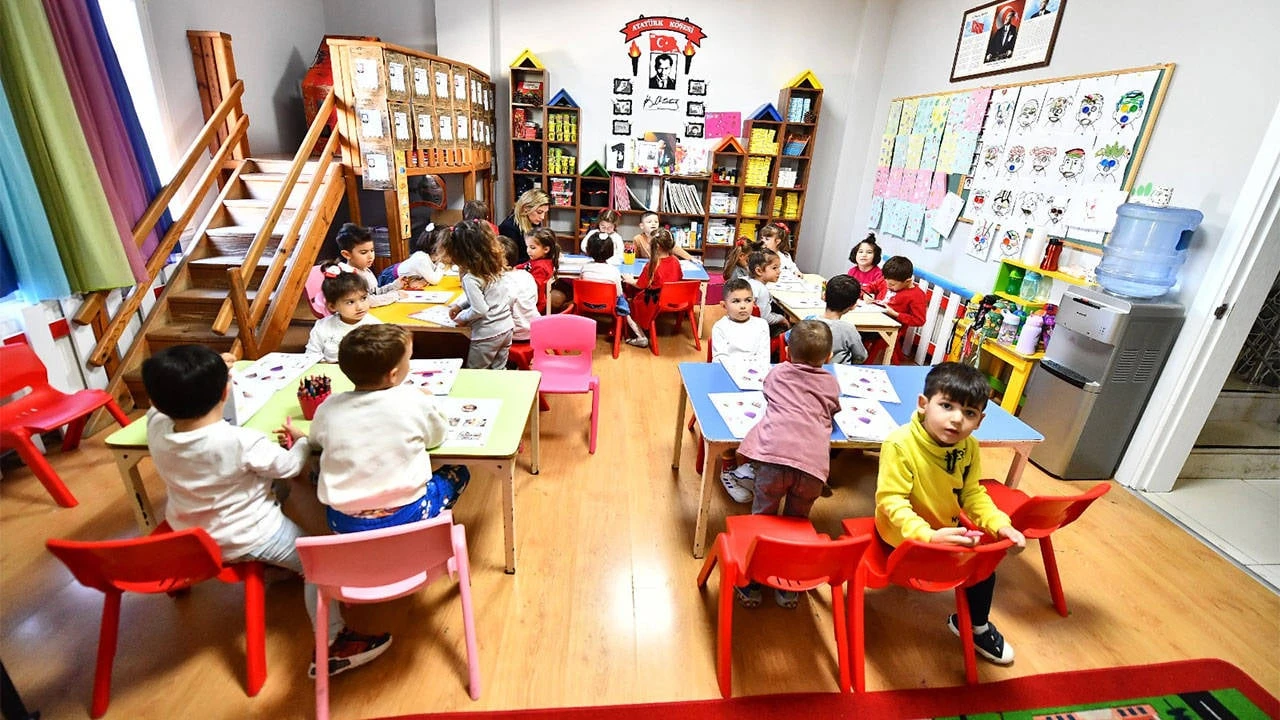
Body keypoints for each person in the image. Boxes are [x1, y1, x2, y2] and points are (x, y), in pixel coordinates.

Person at [140, 344, 390, 678]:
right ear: (226, 391)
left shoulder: (157, 427)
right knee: (318, 563)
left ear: (157, 401)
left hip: (189, 534)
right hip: (250, 536)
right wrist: (302, 442)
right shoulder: (241, 441)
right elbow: (289, 466)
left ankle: (274, 569)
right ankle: (334, 641)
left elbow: (157, 408)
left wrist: (206, 370)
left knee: (275, 493)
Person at [875, 362, 1026, 664]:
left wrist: (1001, 525)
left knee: (984, 568)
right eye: (947, 406)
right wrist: (928, 535)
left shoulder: (968, 447)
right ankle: (975, 624)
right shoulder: (899, 444)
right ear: (923, 404)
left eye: (969, 413)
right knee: (975, 563)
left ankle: (976, 627)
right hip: (903, 540)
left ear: (980, 420)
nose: (957, 419)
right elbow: (892, 501)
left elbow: (972, 493)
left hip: (946, 533)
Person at [308, 324, 470, 537]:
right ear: (393, 375)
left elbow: (314, 443)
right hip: (408, 514)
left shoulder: (329, 406)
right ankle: (426, 529)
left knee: (319, 468)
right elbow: (437, 437)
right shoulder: (413, 400)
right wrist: (429, 401)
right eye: (409, 360)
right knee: (459, 472)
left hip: (342, 522)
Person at [732, 320, 841, 608]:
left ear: (788, 352)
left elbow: (768, 394)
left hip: (773, 460)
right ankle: (787, 584)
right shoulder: (830, 382)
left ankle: (752, 582)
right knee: (796, 523)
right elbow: (832, 408)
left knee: (762, 519)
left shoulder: (778, 372)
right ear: (828, 357)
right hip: (812, 468)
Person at [712, 277, 771, 505]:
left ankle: (751, 465)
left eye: (747, 300)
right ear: (724, 305)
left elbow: (764, 358)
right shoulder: (720, 327)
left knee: (766, 417)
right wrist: (740, 372)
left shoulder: (761, 325)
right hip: (727, 380)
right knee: (729, 419)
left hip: (756, 381)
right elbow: (720, 359)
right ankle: (728, 468)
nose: (743, 306)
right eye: (736, 301)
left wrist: (754, 375)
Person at [445, 220, 514, 369]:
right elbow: (486, 297)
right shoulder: (495, 267)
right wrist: (461, 306)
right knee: (499, 370)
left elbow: (480, 309)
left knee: (476, 374)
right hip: (506, 328)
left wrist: (461, 318)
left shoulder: (470, 278)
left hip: (487, 334)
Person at [305, 262, 383, 362]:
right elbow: (310, 356)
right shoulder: (322, 327)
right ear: (332, 306)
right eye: (350, 302)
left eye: (363, 298)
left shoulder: (375, 326)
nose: (360, 307)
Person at [581, 232, 648, 344]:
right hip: (609, 306)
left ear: (588, 250)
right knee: (624, 300)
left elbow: (582, 284)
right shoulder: (614, 271)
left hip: (586, 303)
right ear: (611, 251)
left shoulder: (585, 268)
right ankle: (639, 334)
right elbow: (618, 293)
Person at [625, 227, 682, 348]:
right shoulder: (676, 261)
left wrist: (629, 280)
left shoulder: (652, 265)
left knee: (626, 305)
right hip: (672, 299)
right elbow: (679, 277)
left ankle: (641, 336)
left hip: (653, 301)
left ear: (656, 247)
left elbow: (641, 284)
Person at [868, 255, 928, 363]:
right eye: (886, 280)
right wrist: (867, 295)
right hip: (873, 316)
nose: (888, 285)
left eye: (892, 284)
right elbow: (869, 287)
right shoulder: (886, 280)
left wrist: (896, 314)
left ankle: (863, 362)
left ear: (907, 281)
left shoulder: (917, 295)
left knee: (865, 335)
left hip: (890, 327)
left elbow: (919, 320)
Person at [332, 223, 399, 307]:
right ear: (346, 254)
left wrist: (395, 285)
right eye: (363, 252)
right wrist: (396, 295)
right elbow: (368, 301)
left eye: (372, 250)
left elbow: (374, 292)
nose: (371, 256)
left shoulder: (365, 270)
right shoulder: (348, 276)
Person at [813, 275, 868, 365]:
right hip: (838, 371)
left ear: (824, 296)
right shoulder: (848, 329)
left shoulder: (809, 322)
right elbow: (861, 356)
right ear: (853, 305)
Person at [497, 236, 538, 347]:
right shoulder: (527, 275)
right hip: (534, 330)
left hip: (513, 335)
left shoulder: (498, 281)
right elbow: (534, 300)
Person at [384, 223, 449, 288]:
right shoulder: (422, 258)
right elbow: (434, 280)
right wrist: (442, 264)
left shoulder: (431, 257)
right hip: (392, 278)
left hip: (407, 279)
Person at [499, 189, 550, 264]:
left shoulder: (534, 222)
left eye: (545, 213)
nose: (542, 217)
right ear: (526, 208)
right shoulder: (509, 227)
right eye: (539, 212)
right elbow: (511, 260)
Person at [746, 249, 789, 336]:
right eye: (774, 268)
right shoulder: (762, 290)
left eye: (779, 267)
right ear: (759, 271)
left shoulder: (748, 281)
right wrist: (782, 319)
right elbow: (765, 318)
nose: (779, 271)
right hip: (755, 330)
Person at [519, 228, 562, 313]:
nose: (528, 251)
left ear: (546, 249)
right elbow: (524, 266)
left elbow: (533, 288)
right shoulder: (537, 260)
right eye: (527, 247)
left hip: (535, 305)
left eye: (532, 248)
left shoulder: (541, 267)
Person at [847, 233, 886, 300]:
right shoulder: (852, 271)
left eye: (869, 252)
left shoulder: (879, 274)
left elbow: (880, 295)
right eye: (860, 252)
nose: (864, 255)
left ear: (875, 255)